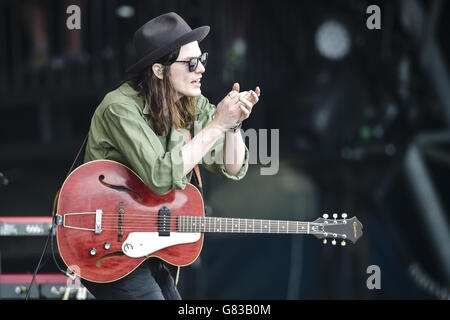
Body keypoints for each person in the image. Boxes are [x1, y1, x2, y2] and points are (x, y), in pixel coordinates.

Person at [80, 12, 260, 300]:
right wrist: (217, 125)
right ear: (159, 71)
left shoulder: (192, 103)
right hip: (101, 240)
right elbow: (161, 176)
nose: (200, 69)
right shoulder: (119, 108)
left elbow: (233, 167)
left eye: (203, 60)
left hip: (146, 242)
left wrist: (233, 125)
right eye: (191, 63)